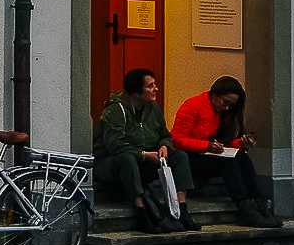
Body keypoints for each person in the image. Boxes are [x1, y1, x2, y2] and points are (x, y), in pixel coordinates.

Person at [95, 68, 199, 232]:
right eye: (150, 86)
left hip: (146, 161)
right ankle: (142, 211)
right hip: (111, 163)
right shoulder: (115, 110)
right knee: (127, 159)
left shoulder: (153, 108)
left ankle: (182, 209)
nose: (156, 89)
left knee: (179, 157)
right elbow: (114, 144)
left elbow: (165, 134)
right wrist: (143, 155)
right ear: (136, 91)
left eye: (155, 84)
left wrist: (164, 145)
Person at [172, 76, 282, 227]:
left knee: (241, 157)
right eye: (225, 102)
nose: (227, 108)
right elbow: (177, 139)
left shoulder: (223, 113)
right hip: (190, 160)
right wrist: (207, 146)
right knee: (228, 162)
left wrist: (241, 144)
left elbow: (226, 142)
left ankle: (259, 202)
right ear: (215, 95)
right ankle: (244, 206)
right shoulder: (193, 106)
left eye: (231, 105)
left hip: (209, 156)